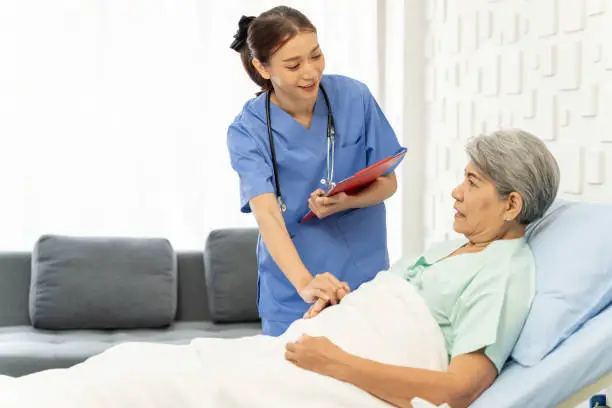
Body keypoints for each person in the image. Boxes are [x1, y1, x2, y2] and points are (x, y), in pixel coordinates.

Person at [0, 129, 560, 408]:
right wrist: (347, 305)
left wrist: (339, 362)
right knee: (140, 366)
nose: (456, 192)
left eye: (473, 183)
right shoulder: (450, 246)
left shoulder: (504, 273)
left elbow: (460, 389)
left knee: (172, 388)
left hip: (337, 370)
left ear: (512, 205)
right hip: (320, 343)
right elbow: (400, 303)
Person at [226, 6, 406, 336]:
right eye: (293, 65)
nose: (310, 72)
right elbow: (266, 214)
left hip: (363, 276)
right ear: (262, 68)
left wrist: (347, 201)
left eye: (316, 56)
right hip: (295, 288)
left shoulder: (354, 97)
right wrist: (305, 282)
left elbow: (389, 183)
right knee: (291, 381)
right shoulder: (247, 130)